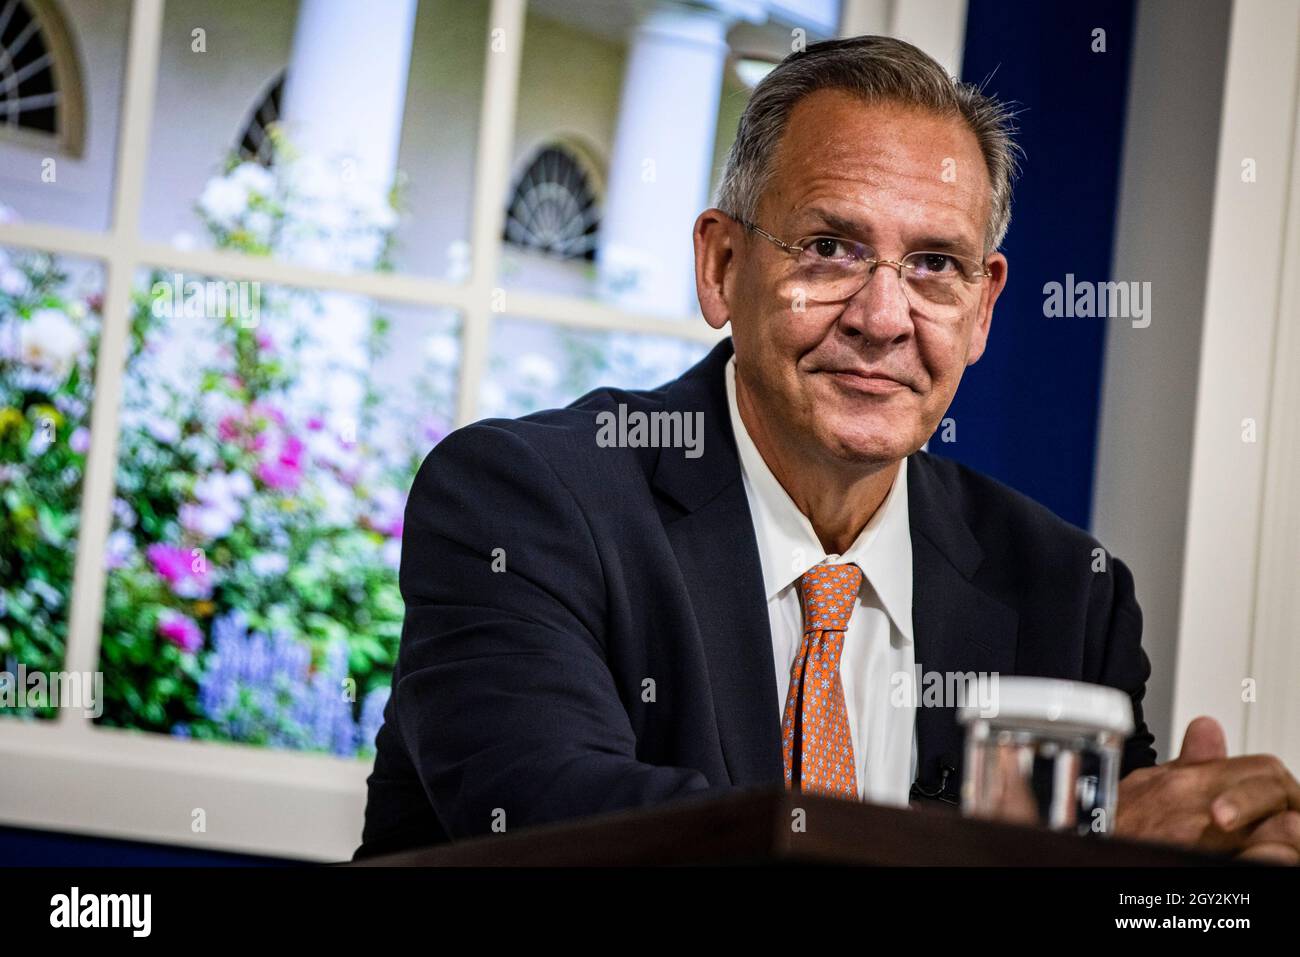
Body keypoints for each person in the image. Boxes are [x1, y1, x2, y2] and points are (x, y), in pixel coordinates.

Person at [355, 35, 1300, 863]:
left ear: (983, 308)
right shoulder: (522, 503)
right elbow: (566, 836)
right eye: (831, 248)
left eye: (935, 265)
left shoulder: (1069, 593)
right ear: (722, 266)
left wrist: (1208, 888)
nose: (884, 318)